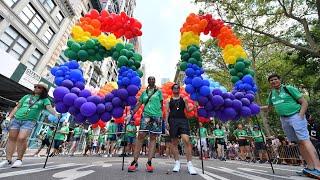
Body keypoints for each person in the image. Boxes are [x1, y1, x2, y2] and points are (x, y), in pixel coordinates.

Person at [262, 74, 320, 177]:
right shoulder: (272, 94)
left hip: (296, 116)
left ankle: (318, 168)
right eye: (271, 80)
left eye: (275, 79)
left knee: (305, 140)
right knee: (299, 142)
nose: (273, 81)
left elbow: (304, 102)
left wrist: (300, 116)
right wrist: (255, 108)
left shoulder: (288, 88)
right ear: (269, 83)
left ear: (279, 80)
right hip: (284, 119)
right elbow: (269, 107)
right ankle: (310, 168)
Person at [0, 83, 58, 168]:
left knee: (22, 138)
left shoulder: (45, 100)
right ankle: (8, 159)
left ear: (43, 90)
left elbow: (49, 108)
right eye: (35, 87)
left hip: (29, 121)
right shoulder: (26, 96)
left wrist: (56, 114)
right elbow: (17, 107)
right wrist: (9, 117)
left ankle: (19, 159)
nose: (36, 88)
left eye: (39, 87)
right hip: (16, 119)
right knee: (11, 138)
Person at [127, 76, 163, 173]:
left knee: (153, 137)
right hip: (146, 115)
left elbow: (161, 104)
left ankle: (149, 162)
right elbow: (139, 104)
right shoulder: (144, 93)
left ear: (155, 81)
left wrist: (162, 117)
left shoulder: (159, 92)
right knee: (141, 135)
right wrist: (131, 114)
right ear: (148, 81)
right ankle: (135, 161)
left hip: (156, 116)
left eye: (153, 79)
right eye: (150, 79)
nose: (151, 80)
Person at [164, 83, 197, 175]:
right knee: (174, 142)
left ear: (179, 89)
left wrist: (194, 106)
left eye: (178, 88)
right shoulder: (168, 100)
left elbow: (188, 110)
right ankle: (177, 163)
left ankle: (190, 164)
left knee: (186, 140)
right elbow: (167, 112)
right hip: (172, 121)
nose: (176, 89)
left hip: (183, 120)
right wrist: (166, 123)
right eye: (174, 88)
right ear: (172, 89)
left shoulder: (184, 99)